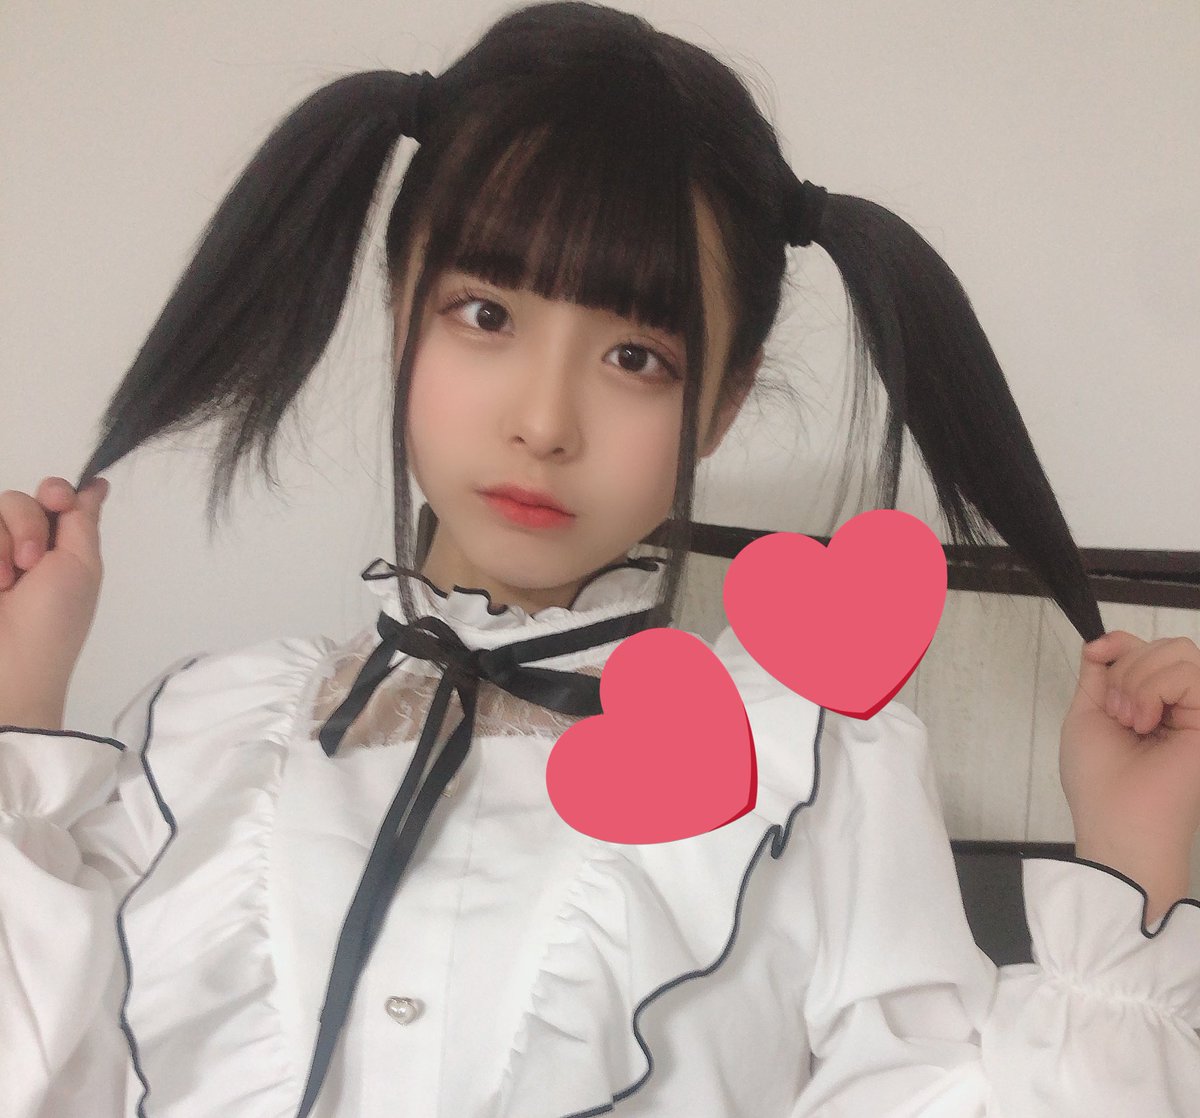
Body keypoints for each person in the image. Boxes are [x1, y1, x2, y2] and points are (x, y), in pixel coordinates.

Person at [1, 3, 1197, 1115]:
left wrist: (1133, 867)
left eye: (637, 357)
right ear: (400, 304)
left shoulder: (811, 769)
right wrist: (14, 703)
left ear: (723, 403)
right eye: (486, 313)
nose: (544, 421)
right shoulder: (201, 739)